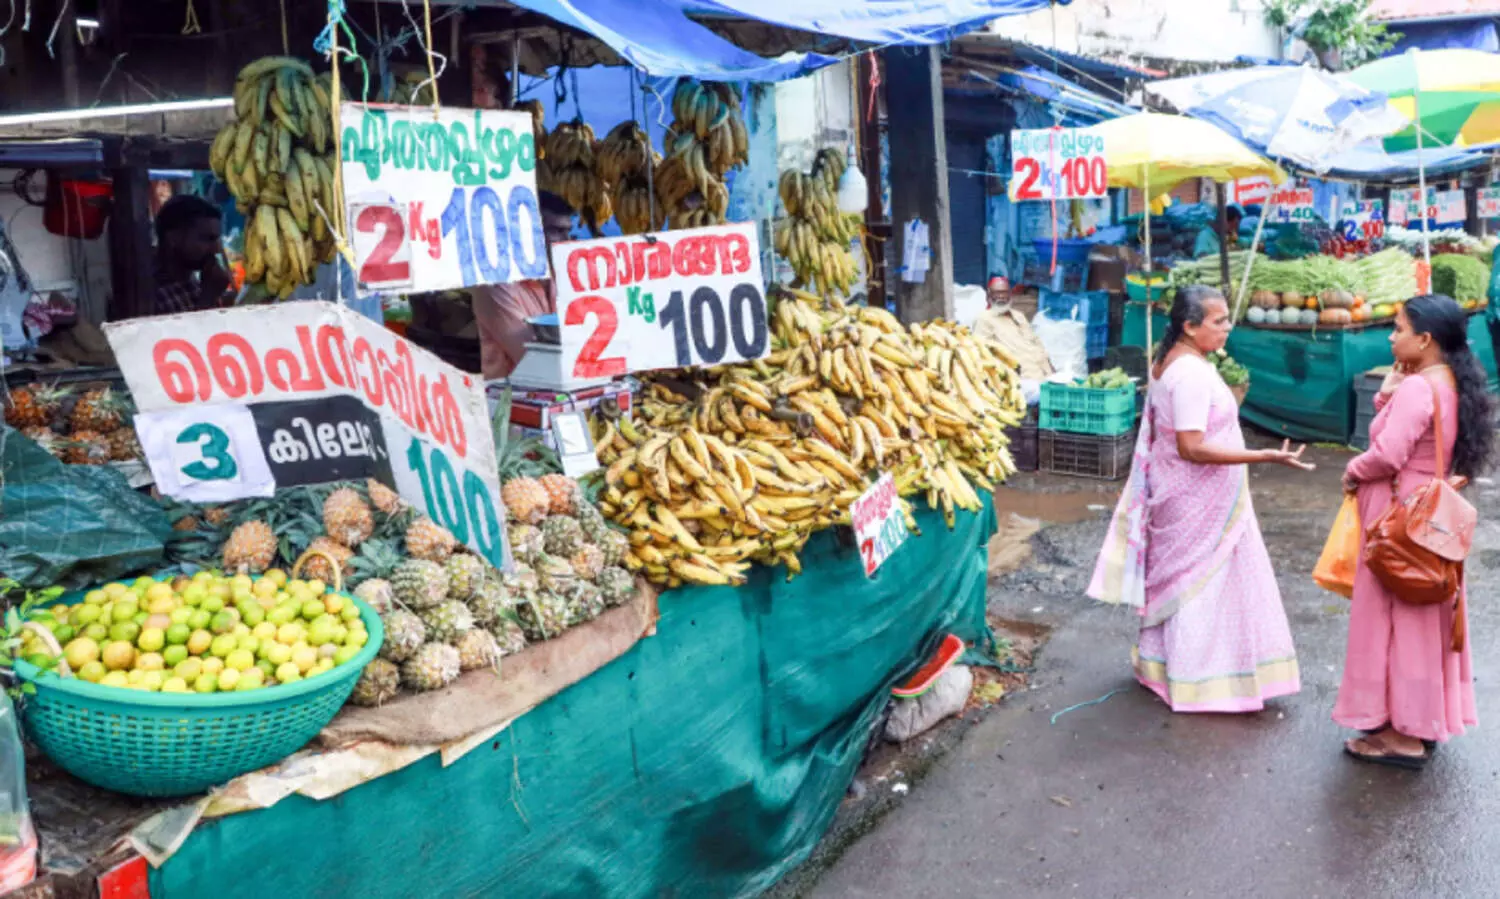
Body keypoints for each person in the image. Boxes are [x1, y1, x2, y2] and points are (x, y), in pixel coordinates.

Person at [1089, 285, 1310, 712]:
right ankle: (1196, 681)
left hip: (1191, 495)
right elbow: (1191, 446)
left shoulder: (1173, 359)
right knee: (1196, 586)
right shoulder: (1189, 373)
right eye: (1218, 321)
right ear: (1189, 327)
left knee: (1195, 584)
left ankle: (1170, 670)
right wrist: (1262, 455)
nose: (1228, 328)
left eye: (1227, 318)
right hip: (1193, 498)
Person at [1335, 294, 1494, 768]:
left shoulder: (1420, 389)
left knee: (1393, 622)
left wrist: (1352, 469)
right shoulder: (1446, 381)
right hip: (1430, 516)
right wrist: (1390, 389)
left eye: (1399, 329)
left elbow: (1386, 453)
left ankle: (1402, 734)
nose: (1390, 336)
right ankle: (1413, 720)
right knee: (1421, 622)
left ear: (1425, 339)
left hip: (1399, 513)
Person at [472, 191, 577, 380]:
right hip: (512, 399)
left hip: (561, 387)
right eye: (555, 231)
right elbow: (533, 358)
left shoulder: (558, 274)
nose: (566, 241)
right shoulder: (496, 284)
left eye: (568, 232)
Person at [154, 194, 232, 315]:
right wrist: (208, 297)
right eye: (207, 238)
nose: (216, 249)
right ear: (173, 238)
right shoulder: (154, 296)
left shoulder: (192, 281)